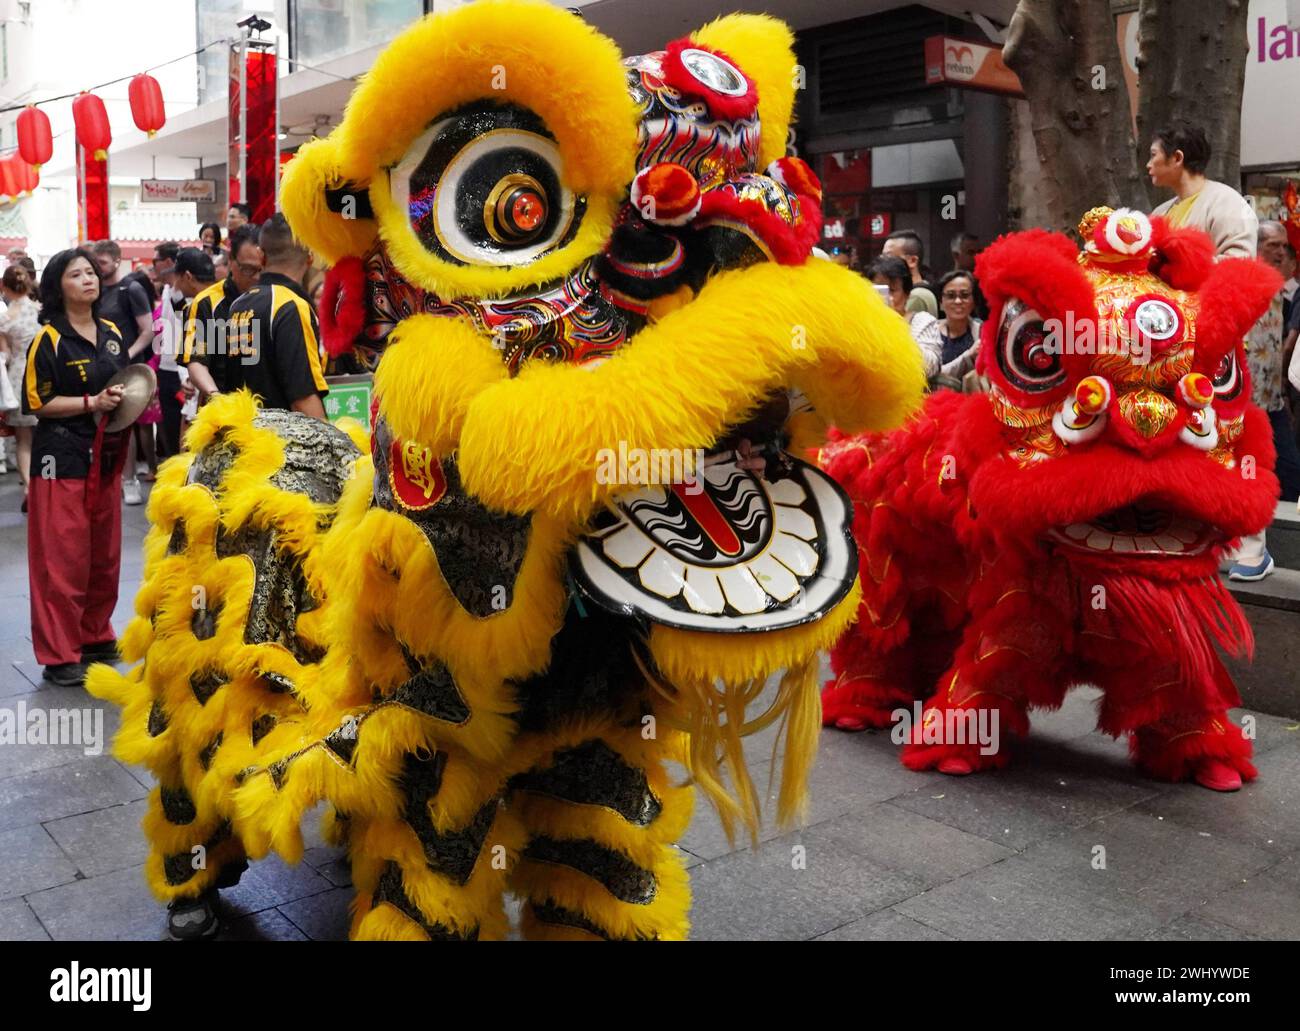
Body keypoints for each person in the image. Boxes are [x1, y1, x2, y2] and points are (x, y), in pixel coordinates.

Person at [22, 248, 130, 687]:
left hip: (104, 458)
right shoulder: (47, 340)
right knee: (61, 561)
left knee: (103, 557)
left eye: (91, 272)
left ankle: (94, 635)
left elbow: (122, 384)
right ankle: (59, 654)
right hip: (60, 461)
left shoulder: (111, 333)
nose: (88, 279)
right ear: (57, 287)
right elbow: (37, 402)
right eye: (75, 274)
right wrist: (91, 403)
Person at [1229, 221, 1300, 581]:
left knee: (1288, 469)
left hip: (1272, 399)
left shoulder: (1279, 288)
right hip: (1244, 402)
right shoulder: (1241, 282)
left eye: (1283, 245)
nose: (1280, 251)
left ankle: (1273, 537)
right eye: (1272, 244)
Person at [224, 214, 328, 417]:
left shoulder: (236, 306)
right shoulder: (292, 307)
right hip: (283, 443)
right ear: (310, 257)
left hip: (244, 435)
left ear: (261, 256)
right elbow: (303, 400)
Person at [1148, 122, 1257, 259]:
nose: (1148, 164)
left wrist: (1185, 266)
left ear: (1177, 158)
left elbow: (1241, 262)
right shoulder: (1160, 212)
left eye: (1153, 155)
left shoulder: (1227, 203)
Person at [184, 223, 263, 402]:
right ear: (231, 260)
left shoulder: (275, 299)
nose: (256, 277)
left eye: (261, 269)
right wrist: (215, 396)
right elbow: (197, 361)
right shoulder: (207, 302)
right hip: (224, 408)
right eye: (248, 269)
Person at [0, 266, 40, 507]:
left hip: (17, 377)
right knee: (43, 436)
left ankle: (29, 486)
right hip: (42, 373)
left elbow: (4, 353)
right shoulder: (40, 312)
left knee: (23, 440)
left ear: (4, 287)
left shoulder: (5, 318)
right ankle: (45, 481)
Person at [870, 254, 940, 380]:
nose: (884, 297)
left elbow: (929, 367)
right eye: (880, 291)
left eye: (892, 290)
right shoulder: (863, 324)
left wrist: (893, 326)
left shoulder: (923, 321)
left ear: (907, 294)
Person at [91, 240, 154, 361]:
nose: (98, 267)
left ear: (117, 262)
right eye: (95, 263)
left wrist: (128, 354)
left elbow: (149, 330)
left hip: (128, 363)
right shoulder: (94, 289)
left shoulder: (131, 288)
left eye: (103, 262)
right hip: (102, 359)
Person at [932, 269, 982, 389]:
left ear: (973, 301)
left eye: (965, 295)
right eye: (951, 296)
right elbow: (932, 374)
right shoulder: (931, 333)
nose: (958, 301)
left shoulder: (983, 333)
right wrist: (968, 356)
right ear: (941, 302)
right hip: (938, 401)